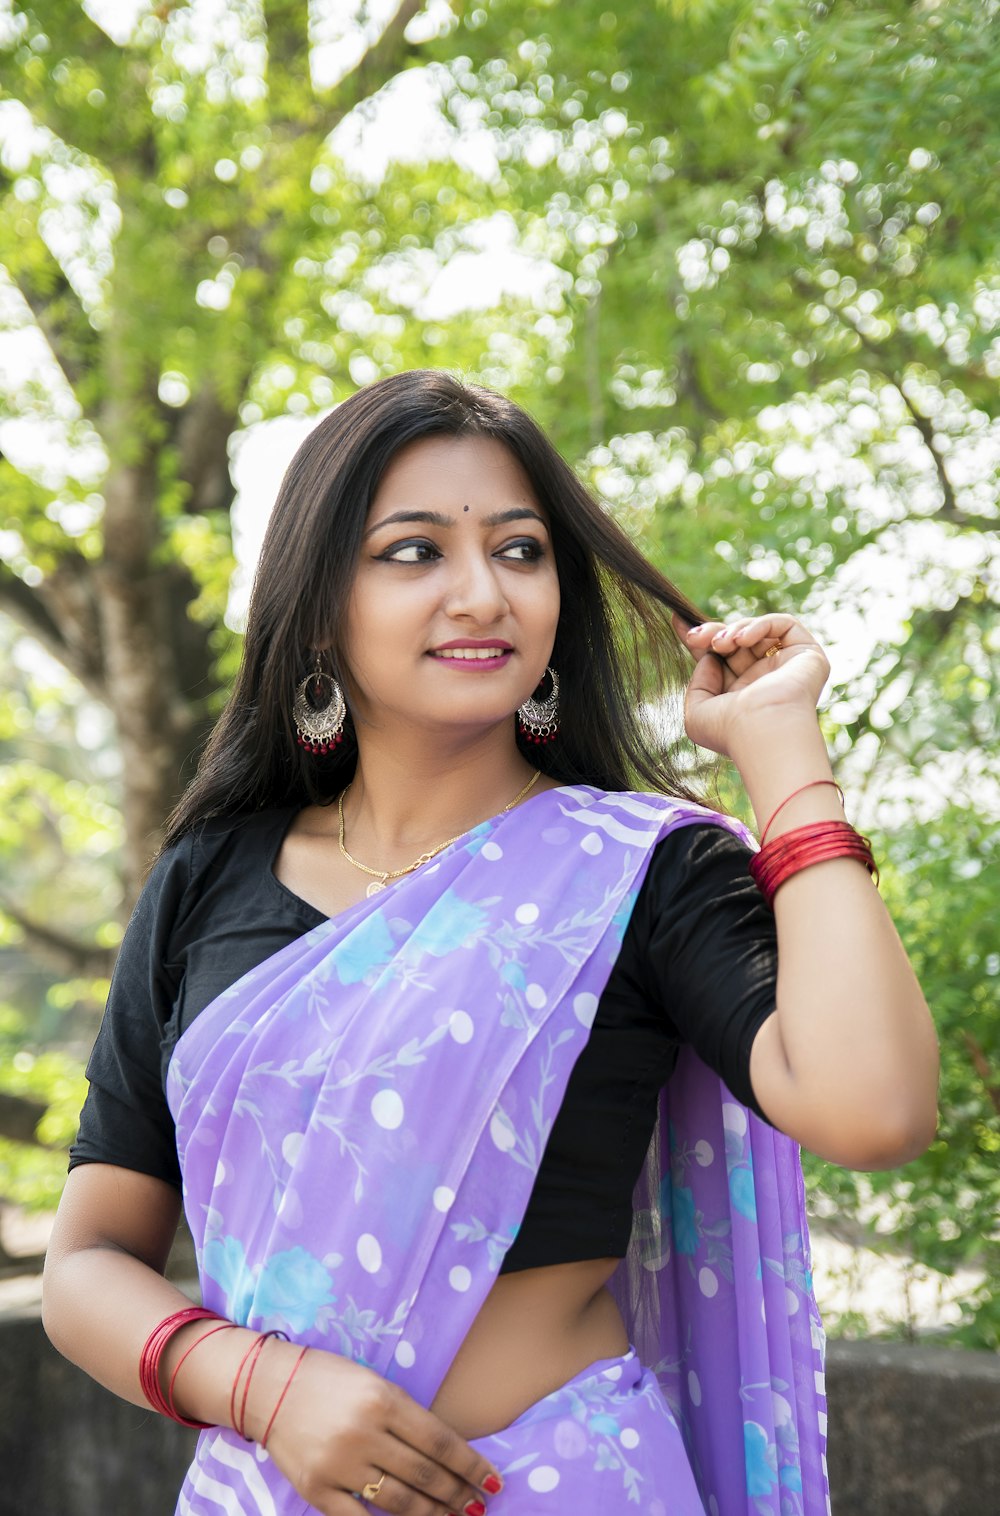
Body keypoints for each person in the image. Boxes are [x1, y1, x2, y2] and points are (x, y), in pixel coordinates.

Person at [42, 369, 938, 1516]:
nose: (482, 592)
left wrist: (782, 761)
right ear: (318, 604)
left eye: (519, 551)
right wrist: (263, 1387)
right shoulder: (209, 877)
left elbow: (876, 1108)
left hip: (557, 1488)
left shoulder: (638, 870)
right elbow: (87, 1263)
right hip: (258, 1489)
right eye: (414, 551)